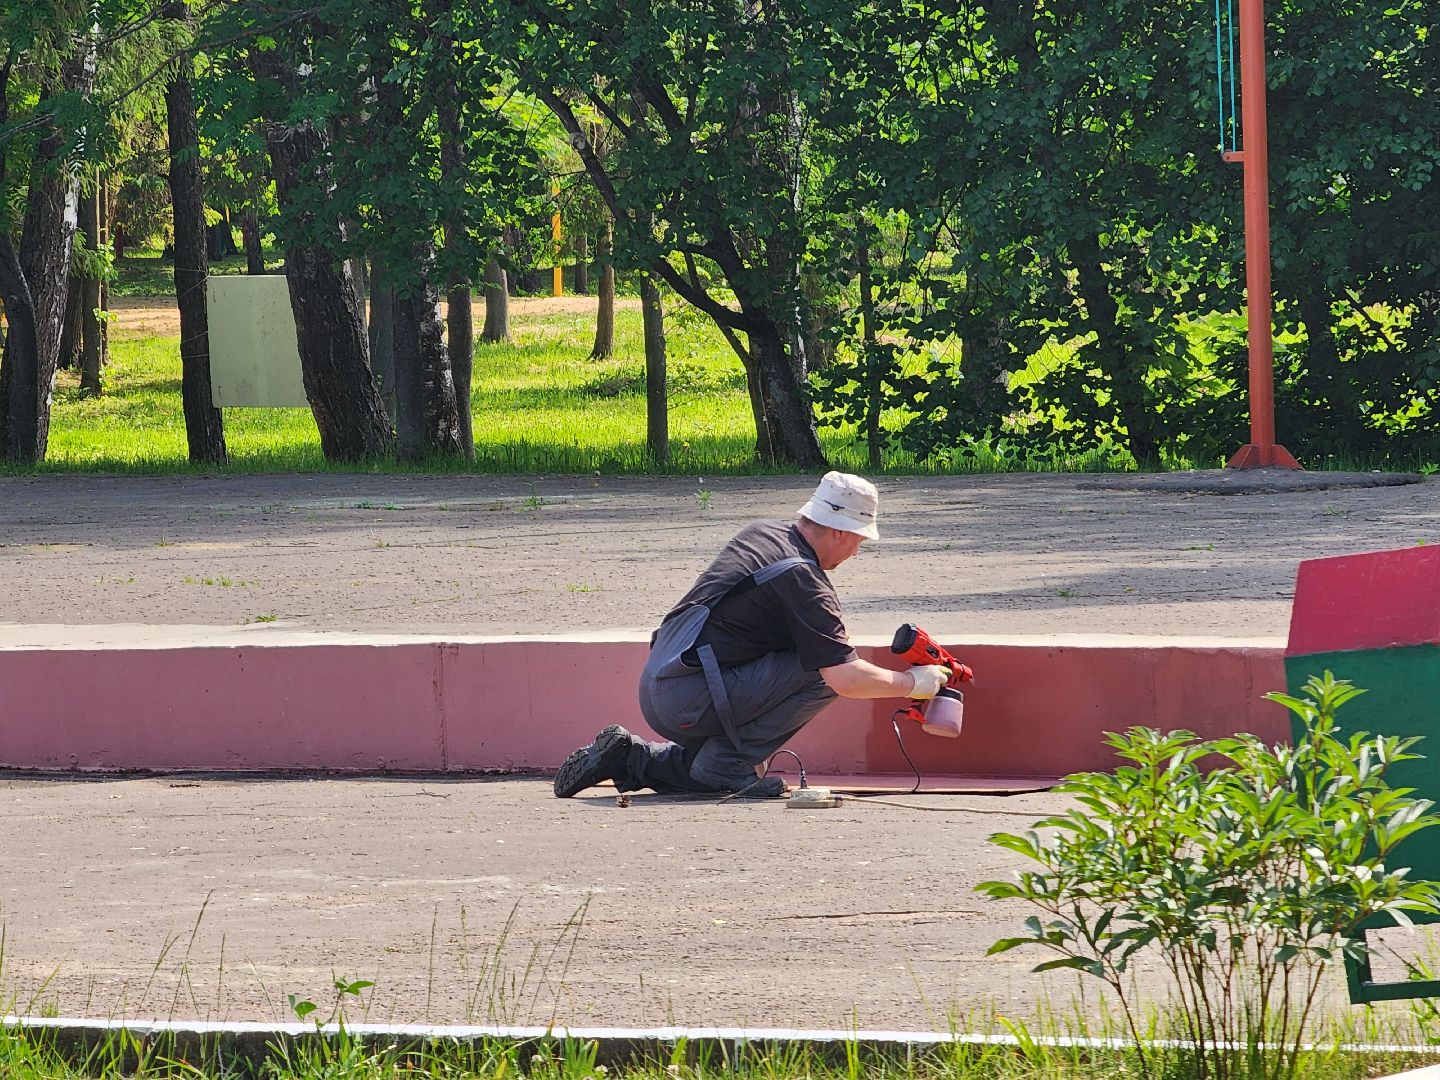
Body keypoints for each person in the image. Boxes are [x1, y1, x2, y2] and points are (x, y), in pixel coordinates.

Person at [552, 471, 951, 799]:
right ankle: (728, 765)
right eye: (859, 541)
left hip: (662, 681)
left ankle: (632, 759)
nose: (855, 553)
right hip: (690, 700)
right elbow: (846, 678)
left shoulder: (762, 534)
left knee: (712, 767)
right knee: (823, 671)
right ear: (840, 532)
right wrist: (913, 682)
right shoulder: (805, 582)